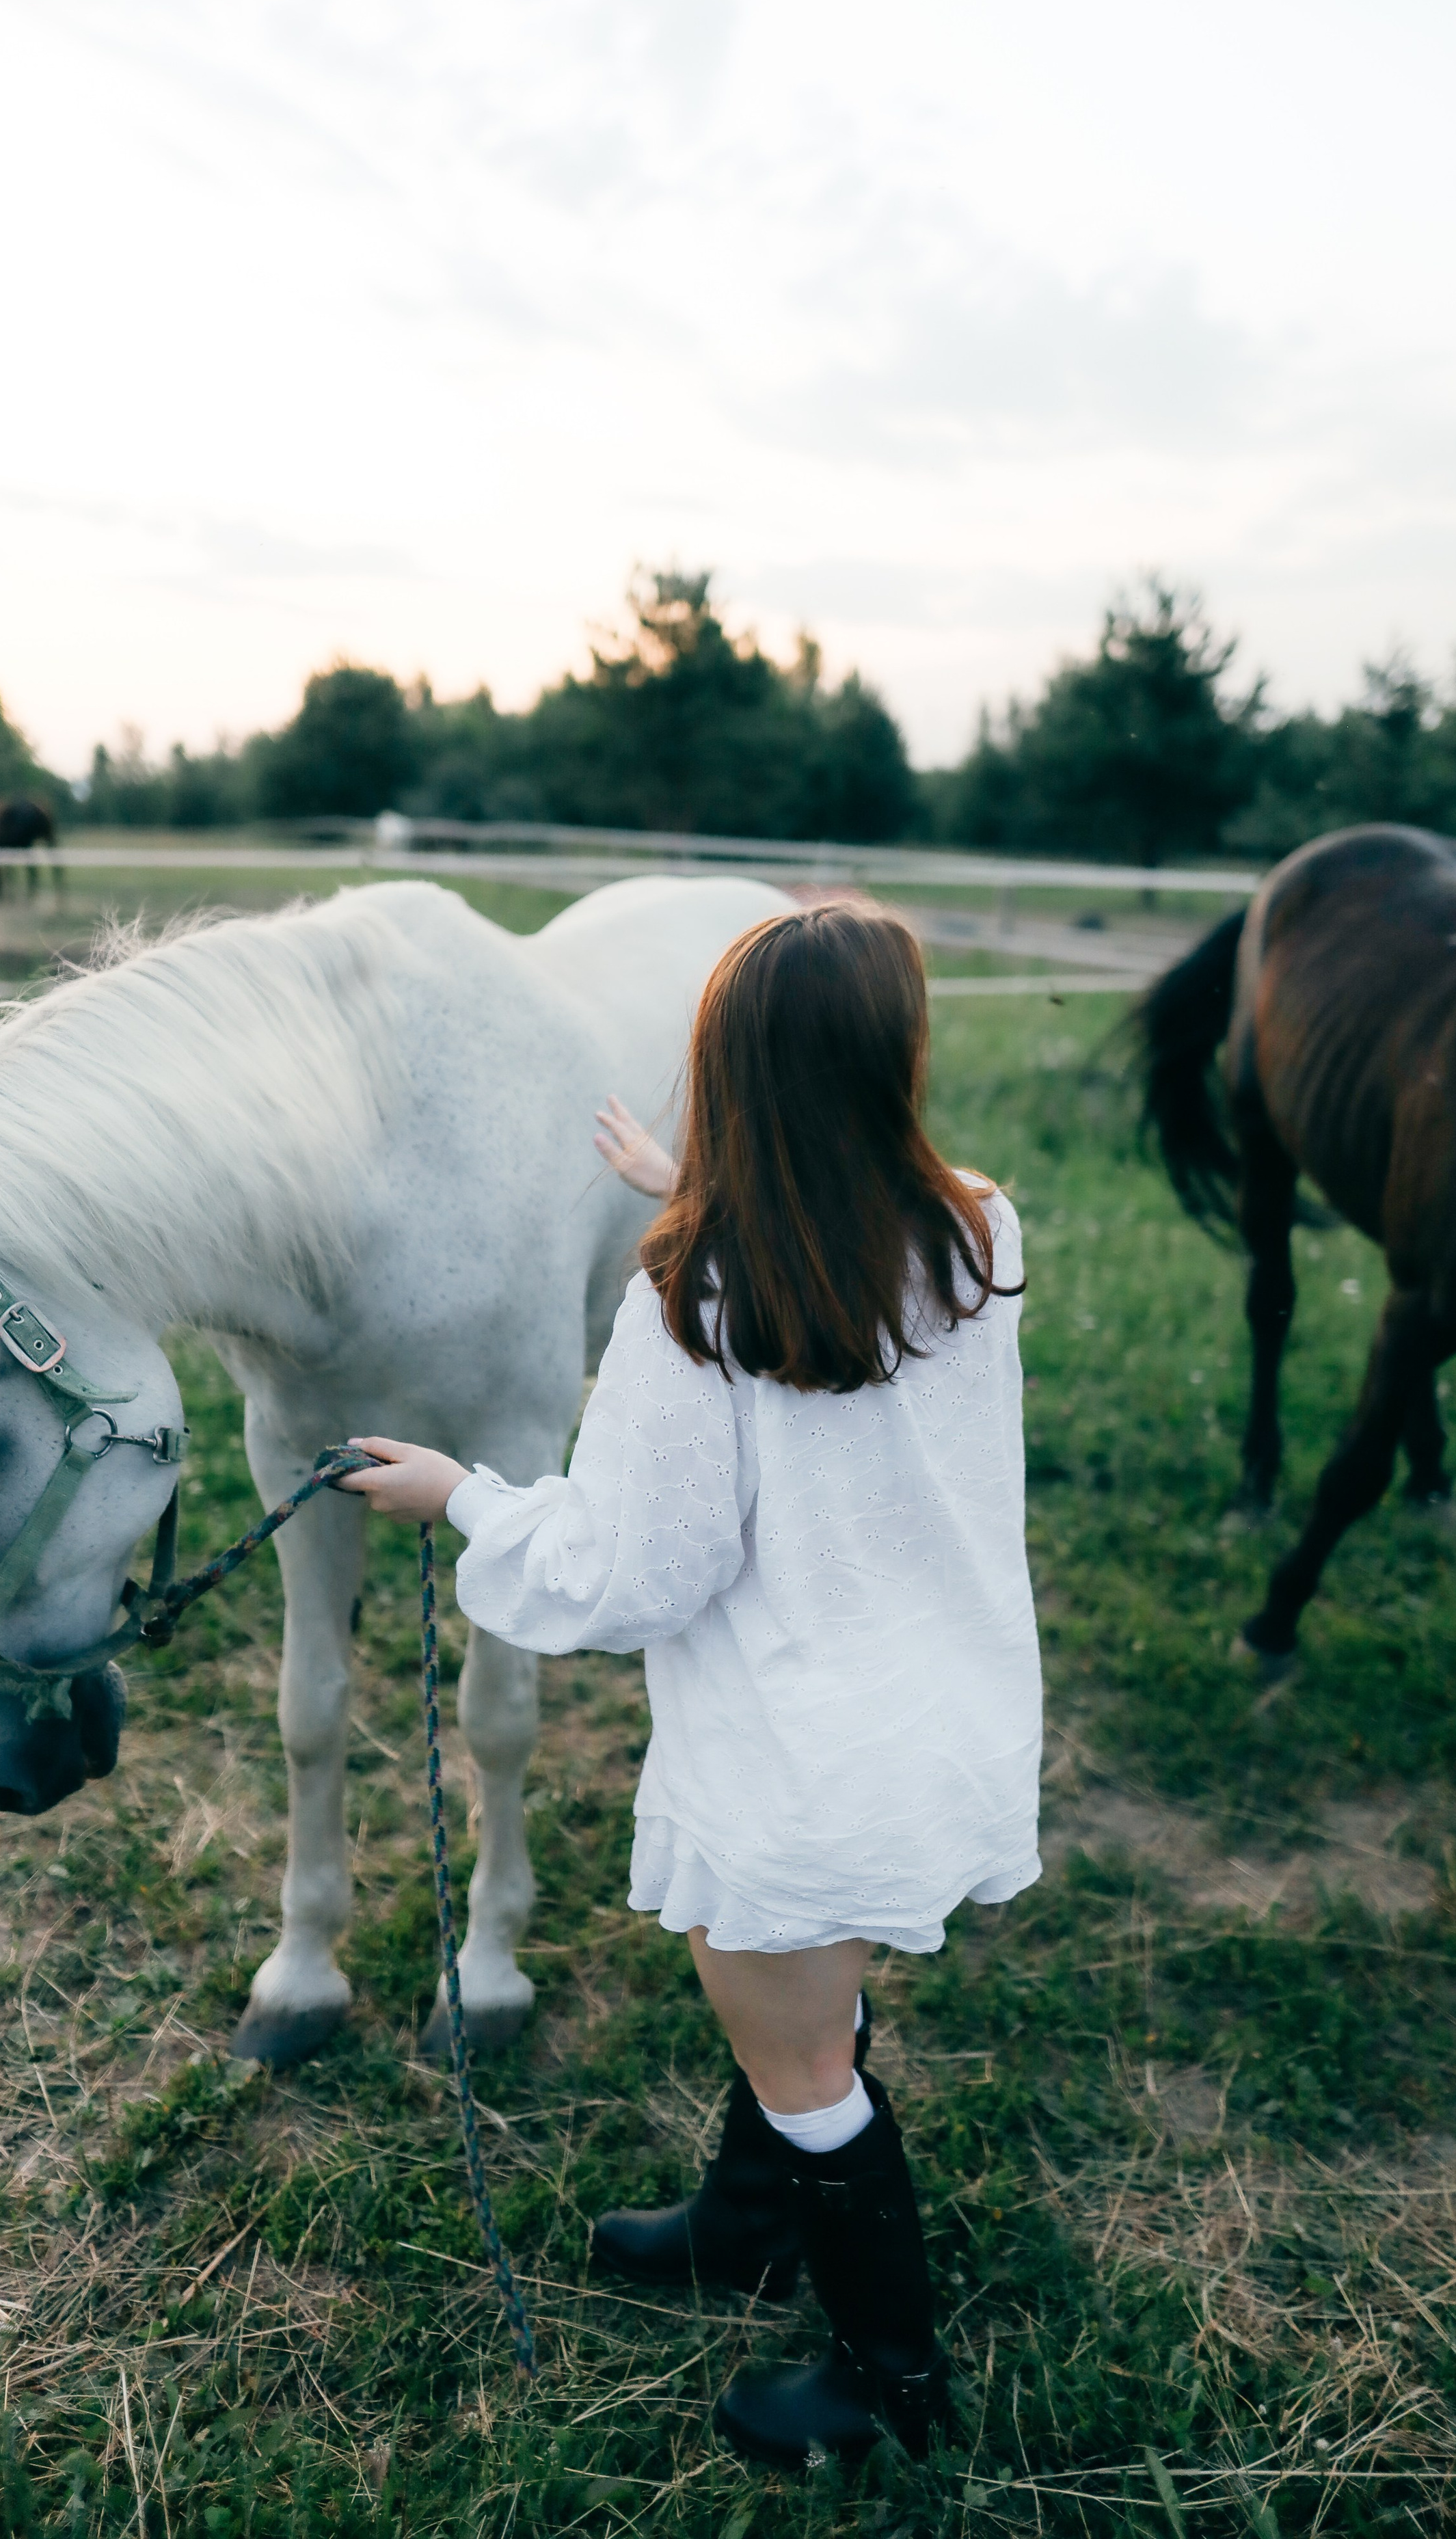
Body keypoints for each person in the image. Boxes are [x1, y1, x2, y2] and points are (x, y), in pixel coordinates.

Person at [340, 900, 1041, 2468]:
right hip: (937, 1715)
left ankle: (890, 2381)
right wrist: (703, 1202)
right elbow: (839, 1236)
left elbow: (619, 1573)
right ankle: (743, 2227)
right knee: (807, 2013)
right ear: (890, 1060)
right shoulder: (977, 1233)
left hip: (794, 1758)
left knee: (799, 2058)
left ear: (723, 1077)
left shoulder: (695, 1306)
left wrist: (460, 1495)